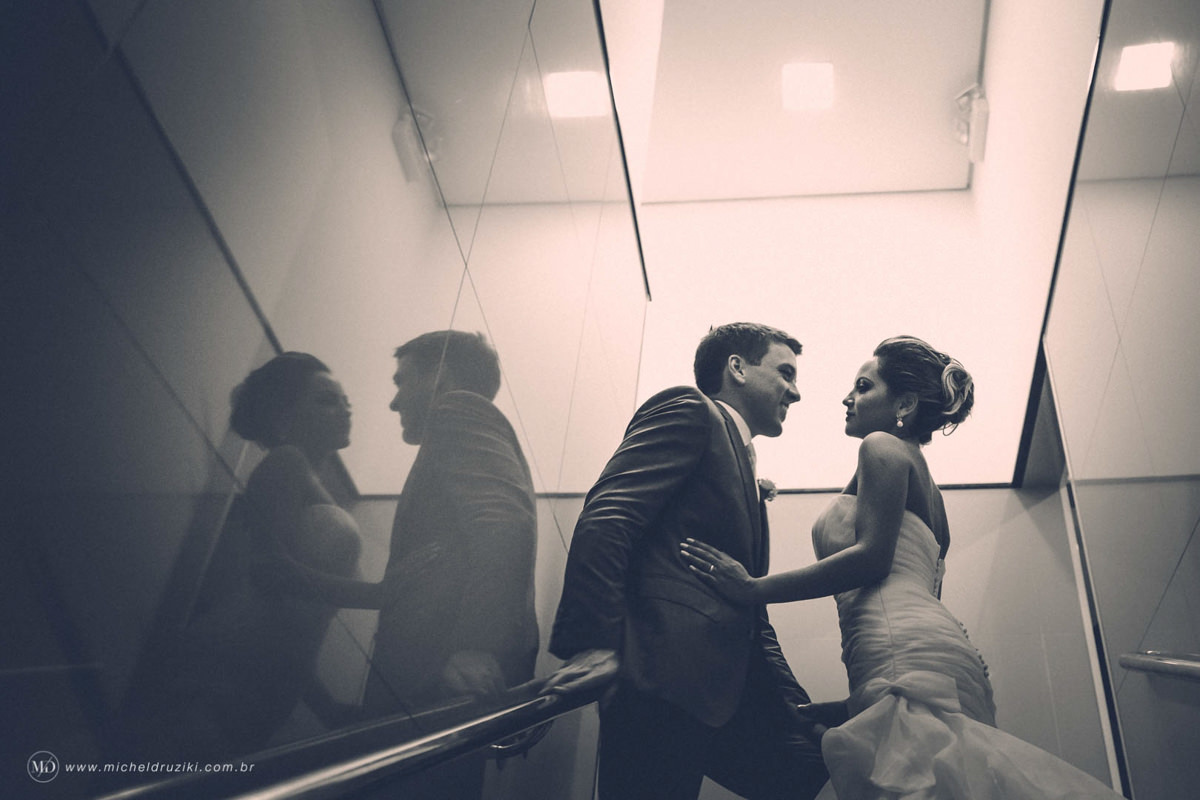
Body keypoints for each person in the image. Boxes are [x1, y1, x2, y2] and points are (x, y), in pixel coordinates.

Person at [681, 335, 1126, 799]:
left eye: (864, 386)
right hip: (928, 654)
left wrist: (753, 588)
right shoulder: (932, 499)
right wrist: (848, 706)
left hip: (900, 652)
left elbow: (872, 560)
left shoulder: (881, 447)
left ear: (906, 403)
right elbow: (908, 593)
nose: (847, 397)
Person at [545, 322, 828, 800]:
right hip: (659, 682)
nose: (796, 392)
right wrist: (594, 642)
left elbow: (752, 611)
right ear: (737, 367)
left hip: (721, 694)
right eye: (785, 372)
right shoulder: (690, 409)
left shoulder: (747, 467)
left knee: (809, 768)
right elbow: (608, 517)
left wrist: (797, 709)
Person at [273, 331, 539, 720]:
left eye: (402, 380)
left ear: (441, 376)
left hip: (446, 674)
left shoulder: (457, 410)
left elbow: (504, 523)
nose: (394, 401)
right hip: (440, 677)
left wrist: (476, 647)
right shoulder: (463, 425)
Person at [121, 352, 362, 760]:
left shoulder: (308, 479)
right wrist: (379, 594)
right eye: (326, 399)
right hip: (225, 670)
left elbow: (293, 630)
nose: (344, 409)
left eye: (346, 401)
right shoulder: (285, 463)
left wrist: (329, 709)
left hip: (264, 680)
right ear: (283, 413)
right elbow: (269, 574)